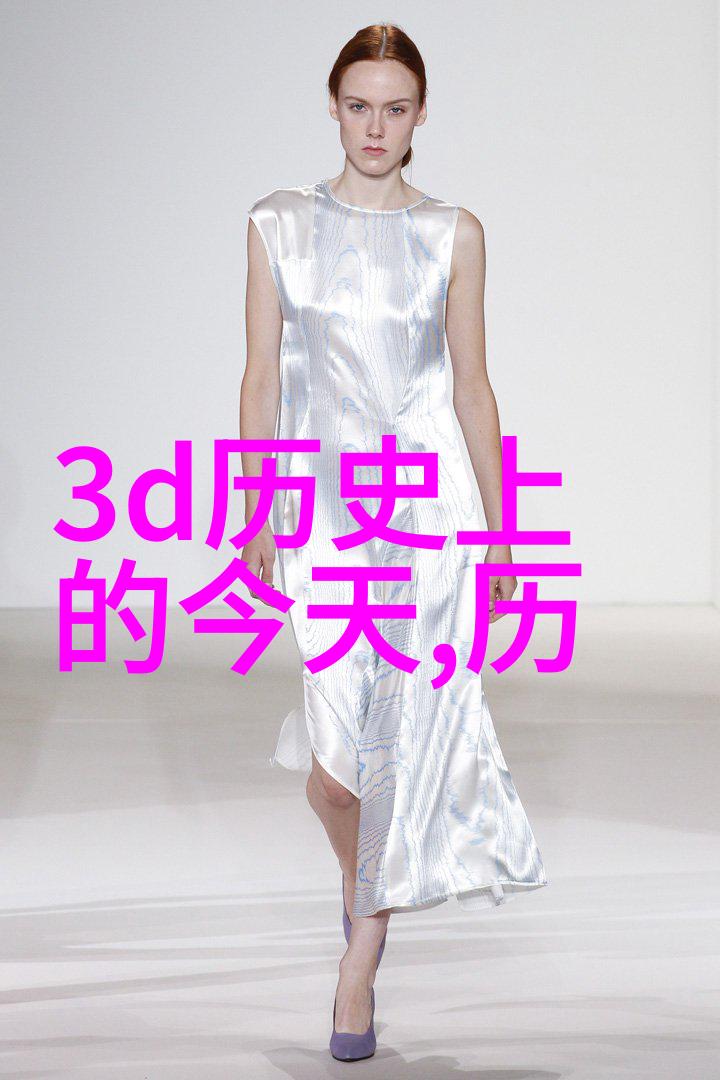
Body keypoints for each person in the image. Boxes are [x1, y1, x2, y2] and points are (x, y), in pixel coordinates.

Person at [241, 22, 549, 1062]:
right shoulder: (278, 224)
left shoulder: (454, 233)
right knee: (336, 776)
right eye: (359, 105)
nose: (376, 126)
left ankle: (357, 972)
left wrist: (500, 536)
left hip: (428, 515)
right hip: (326, 515)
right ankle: (362, 880)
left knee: (400, 752)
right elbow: (261, 378)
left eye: (396, 108)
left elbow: (473, 386)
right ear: (334, 107)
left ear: (420, 117)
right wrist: (258, 507)